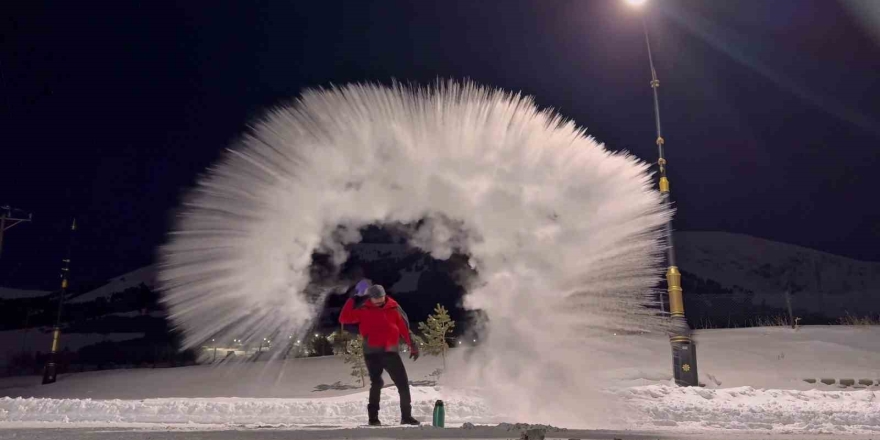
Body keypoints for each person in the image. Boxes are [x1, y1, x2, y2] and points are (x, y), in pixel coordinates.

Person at [339, 282, 421, 426]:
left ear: (384, 296)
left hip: (390, 352)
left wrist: (412, 345)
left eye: (380, 298)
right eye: (375, 298)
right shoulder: (364, 309)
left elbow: (404, 328)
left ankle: (406, 416)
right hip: (372, 353)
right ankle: (373, 418)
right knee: (377, 383)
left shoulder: (394, 308)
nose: (378, 301)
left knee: (402, 384)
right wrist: (352, 299)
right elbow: (344, 318)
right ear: (370, 298)